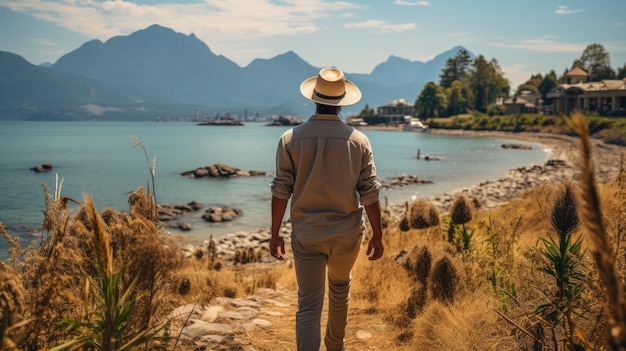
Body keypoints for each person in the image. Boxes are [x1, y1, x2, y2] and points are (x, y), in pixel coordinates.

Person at [269, 67, 384, 351]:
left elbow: (281, 191)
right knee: (339, 290)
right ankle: (336, 347)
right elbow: (369, 192)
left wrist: (275, 234)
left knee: (308, 303)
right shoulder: (358, 141)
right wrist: (378, 235)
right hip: (346, 235)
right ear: (342, 103)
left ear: (314, 99)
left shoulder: (290, 139)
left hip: (307, 235)